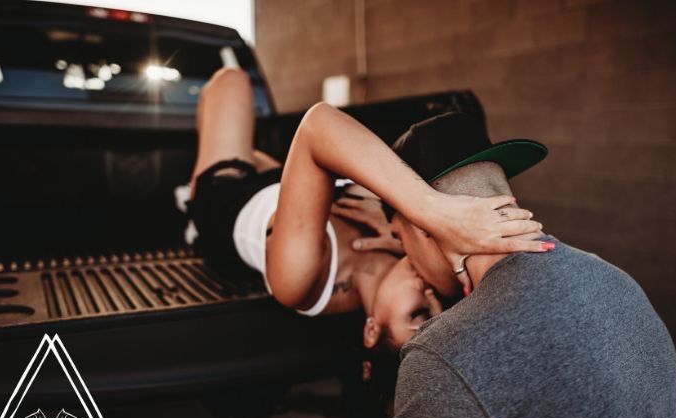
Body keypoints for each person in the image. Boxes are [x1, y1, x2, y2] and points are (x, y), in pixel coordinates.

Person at [379, 110, 676, 418]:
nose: (405, 259)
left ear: (424, 225)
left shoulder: (446, 355)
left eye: (400, 239)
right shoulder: (614, 277)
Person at [183, 66, 547, 351]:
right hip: (294, 176)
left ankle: (189, 200)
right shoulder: (405, 248)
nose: (427, 291)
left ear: (371, 329)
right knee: (267, 154)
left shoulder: (301, 281)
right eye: (440, 300)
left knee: (229, 81)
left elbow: (318, 125)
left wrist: (431, 211)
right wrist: (391, 216)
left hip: (230, 195)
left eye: (417, 313)